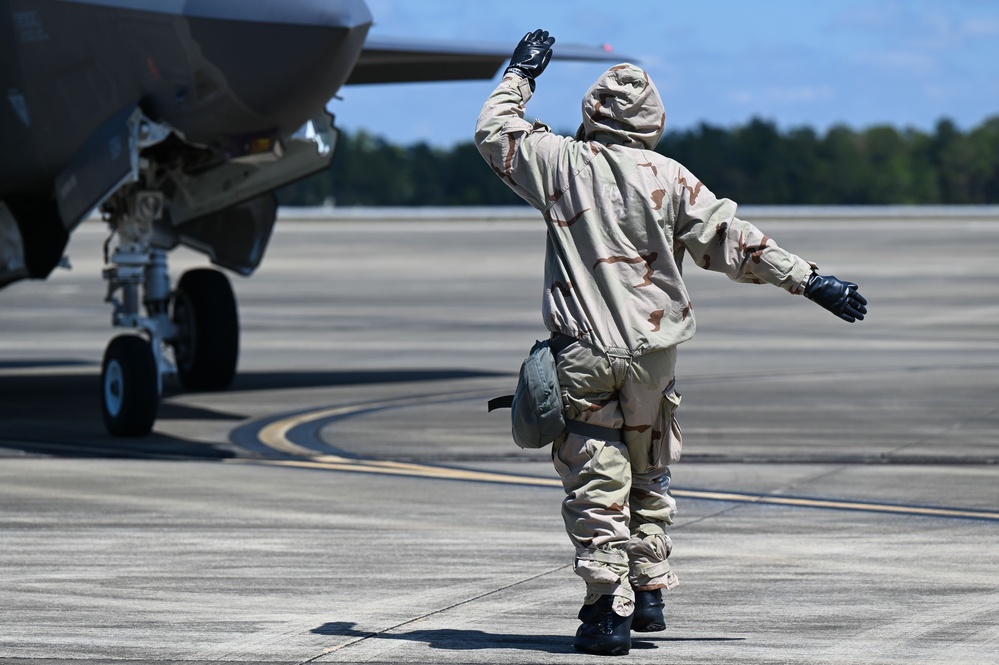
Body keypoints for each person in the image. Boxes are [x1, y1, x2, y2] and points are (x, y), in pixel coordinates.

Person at [474, 29, 868, 656]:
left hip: (587, 347)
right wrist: (813, 281)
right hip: (655, 355)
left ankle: (607, 612)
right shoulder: (671, 176)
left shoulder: (558, 163)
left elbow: (495, 131)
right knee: (649, 461)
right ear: (653, 120)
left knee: (595, 470)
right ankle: (651, 587)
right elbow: (735, 241)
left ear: (593, 114)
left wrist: (521, 73)